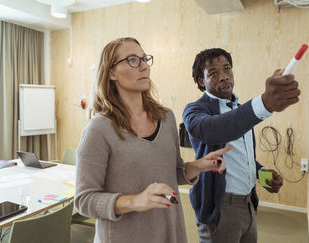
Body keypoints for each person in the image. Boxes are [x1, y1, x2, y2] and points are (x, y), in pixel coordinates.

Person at [74, 38, 231, 243]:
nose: (144, 66)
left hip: (168, 230)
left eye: (144, 59)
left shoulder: (166, 118)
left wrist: (199, 166)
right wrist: (135, 201)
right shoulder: (99, 129)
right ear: (111, 73)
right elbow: (84, 200)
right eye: (132, 60)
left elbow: (171, 173)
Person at [183, 48, 300, 243]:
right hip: (219, 208)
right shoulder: (195, 111)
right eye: (213, 73)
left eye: (227, 69)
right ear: (201, 81)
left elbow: (241, 156)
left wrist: (262, 173)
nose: (223, 77)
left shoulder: (239, 110)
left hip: (248, 204)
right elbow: (216, 129)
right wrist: (263, 103)